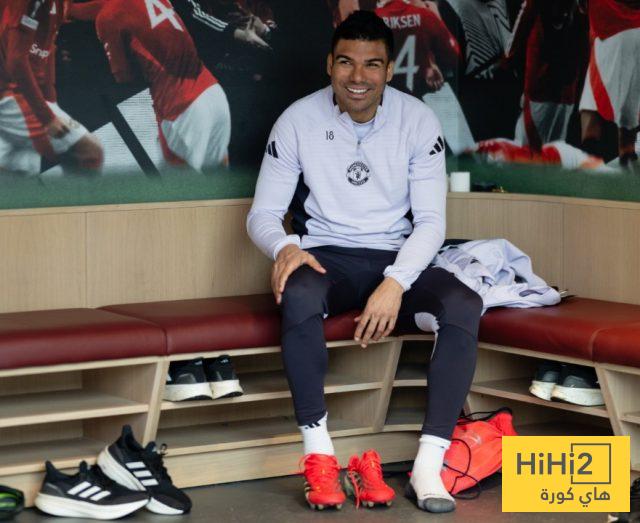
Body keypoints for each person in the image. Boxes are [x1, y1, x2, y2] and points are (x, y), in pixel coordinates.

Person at [247, 10, 483, 513]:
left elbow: (431, 223)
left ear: (389, 70)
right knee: (297, 291)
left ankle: (427, 467)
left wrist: (395, 282)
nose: (358, 77)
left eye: (372, 64)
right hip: (326, 256)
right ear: (329, 65)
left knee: (463, 303)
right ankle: (319, 456)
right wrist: (285, 248)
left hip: (398, 257)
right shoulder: (297, 119)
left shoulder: (418, 120)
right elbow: (263, 214)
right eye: (346, 62)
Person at [94, 0, 231, 172]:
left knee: (187, 180)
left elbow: (123, 76)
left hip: (182, 106)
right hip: (211, 90)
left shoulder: (109, 14)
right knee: (215, 174)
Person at [0, 0, 103, 175]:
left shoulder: (60, 5)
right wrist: (48, 118)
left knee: (17, 175)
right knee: (89, 153)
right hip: (10, 93)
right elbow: (16, 61)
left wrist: (51, 102)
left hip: (20, 92)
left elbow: (48, 48)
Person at [579, 0, 640, 168]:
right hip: (634, 30)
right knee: (629, 111)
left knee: (592, 106)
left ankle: (589, 167)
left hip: (610, 29)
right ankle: (627, 160)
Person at [375, 0, 460, 96]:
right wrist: (436, 17)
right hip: (418, 95)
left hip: (384, 96)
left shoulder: (372, 20)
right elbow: (454, 55)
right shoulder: (425, 15)